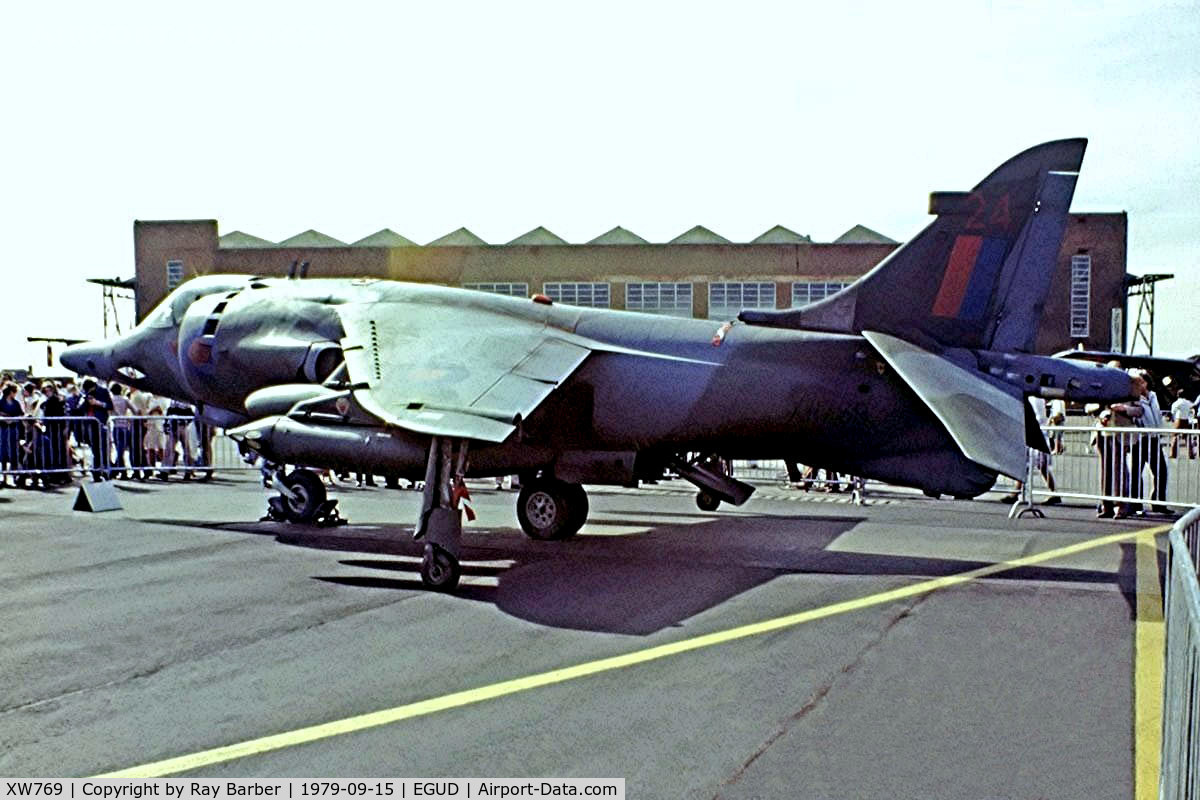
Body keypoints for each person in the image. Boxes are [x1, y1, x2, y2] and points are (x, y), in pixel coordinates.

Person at [1113, 369, 1171, 515]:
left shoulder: (1153, 396)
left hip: (1154, 438)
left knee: (1161, 471)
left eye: (1142, 381)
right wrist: (1126, 409)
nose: (1140, 384)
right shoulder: (1134, 397)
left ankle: (1158, 502)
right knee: (1136, 472)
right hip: (1140, 438)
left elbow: (1156, 414)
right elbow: (1131, 411)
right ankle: (1135, 504)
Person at [78, 378, 114, 480]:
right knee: (95, 448)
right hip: (91, 423)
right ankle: (97, 471)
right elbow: (81, 409)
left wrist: (98, 403)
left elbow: (110, 406)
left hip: (101, 423)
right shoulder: (86, 395)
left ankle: (106, 470)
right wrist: (85, 401)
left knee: (104, 447)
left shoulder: (103, 391)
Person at [1169, 387, 1196, 459]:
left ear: (1178, 395)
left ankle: (1173, 454)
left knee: (1175, 436)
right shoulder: (1188, 402)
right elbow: (1192, 409)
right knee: (1187, 437)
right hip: (1186, 420)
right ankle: (1191, 454)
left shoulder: (1176, 403)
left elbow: (1173, 411)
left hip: (1178, 420)